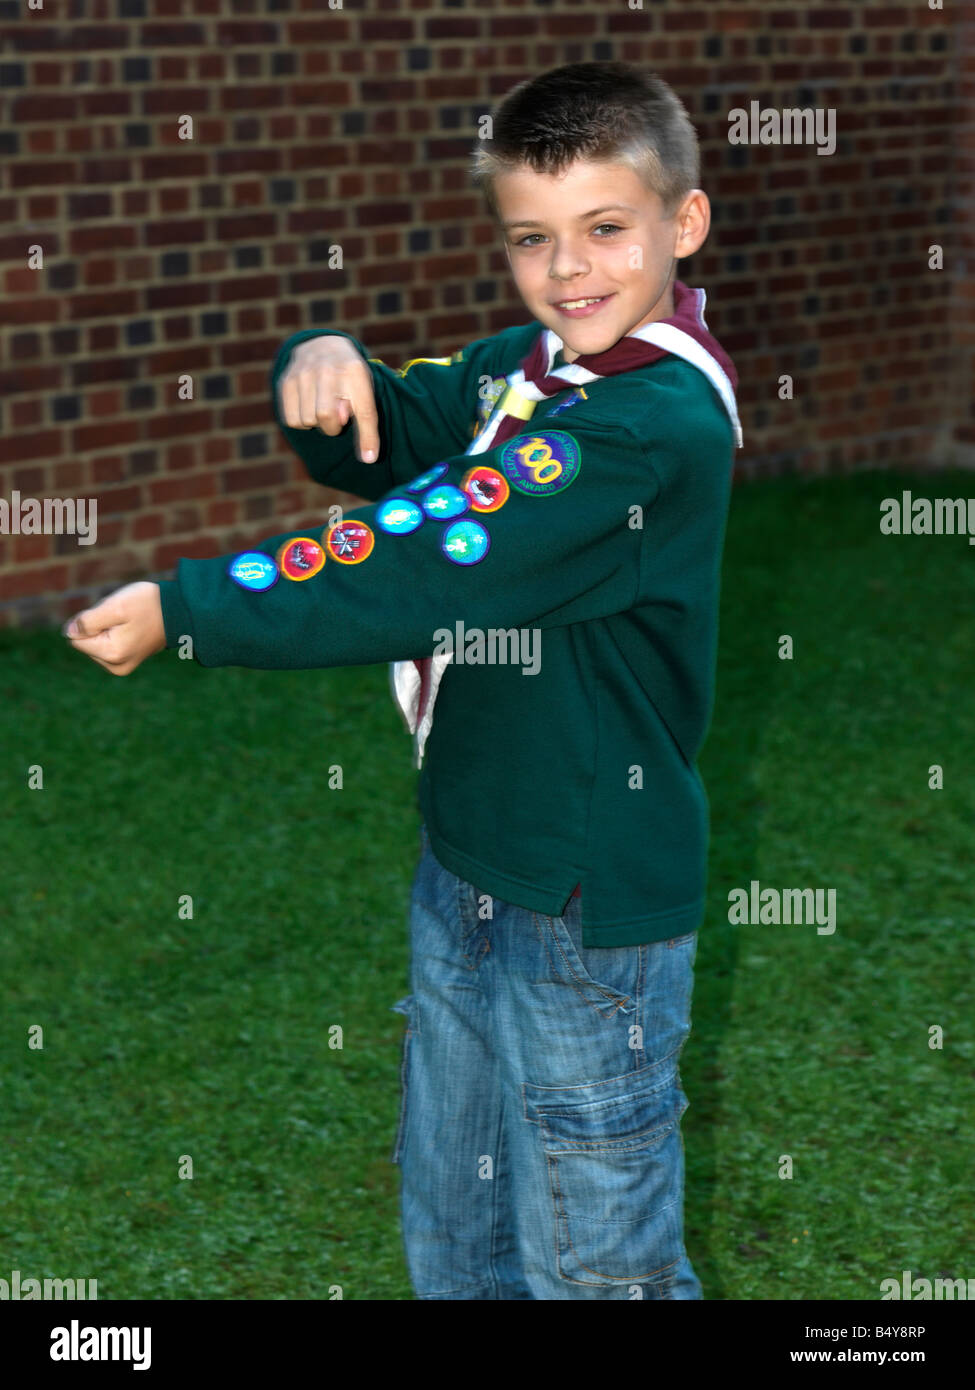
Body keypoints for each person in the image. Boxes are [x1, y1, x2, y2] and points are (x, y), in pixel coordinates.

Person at [63, 60, 742, 1299]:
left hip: (585, 904)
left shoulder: (643, 431)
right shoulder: (531, 369)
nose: (570, 270)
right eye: (533, 239)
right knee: (454, 1224)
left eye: (605, 230)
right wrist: (326, 375)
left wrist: (192, 608)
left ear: (681, 225)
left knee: (598, 1266)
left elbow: (426, 557)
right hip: (471, 860)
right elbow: (412, 427)